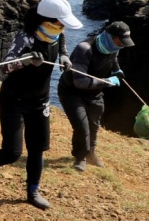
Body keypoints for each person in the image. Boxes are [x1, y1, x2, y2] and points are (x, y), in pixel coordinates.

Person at [0, 0, 82, 209]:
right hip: (14, 100)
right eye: (61, 22)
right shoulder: (26, 37)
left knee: (37, 148)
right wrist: (27, 60)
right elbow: (5, 66)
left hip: (40, 101)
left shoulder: (57, 33)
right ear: (48, 20)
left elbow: (62, 46)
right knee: (12, 153)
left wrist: (65, 57)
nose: (63, 26)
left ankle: (32, 191)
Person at [57, 21, 134, 171]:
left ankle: (91, 153)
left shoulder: (114, 47)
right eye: (120, 41)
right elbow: (80, 82)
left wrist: (117, 71)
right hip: (72, 92)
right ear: (110, 36)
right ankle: (80, 157)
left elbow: (113, 61)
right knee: (82, 125)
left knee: (94, 125)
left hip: (94, 93)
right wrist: (107, 81)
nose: (122, 45)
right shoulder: (84, 49)